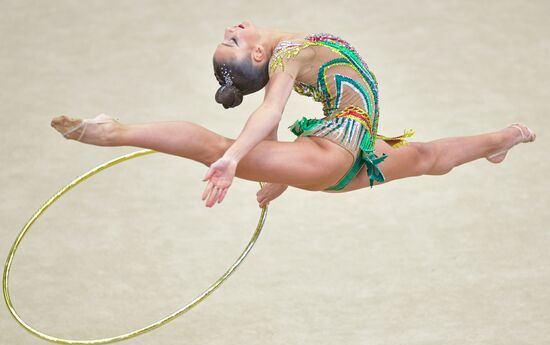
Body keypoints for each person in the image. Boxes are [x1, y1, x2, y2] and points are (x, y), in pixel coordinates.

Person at [51, 20, 536, 208]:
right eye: (234, 41)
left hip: (343, 158)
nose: (233, 27)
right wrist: (237, 158)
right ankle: (114, 132)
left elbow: (273, 123)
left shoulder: (287, 50)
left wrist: (280, 173)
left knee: (429, 156)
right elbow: (268, 114)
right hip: (335, 154)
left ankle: (505, 139)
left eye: (228, 38)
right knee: (214, 149)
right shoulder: (287, 55)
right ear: (259, 56)